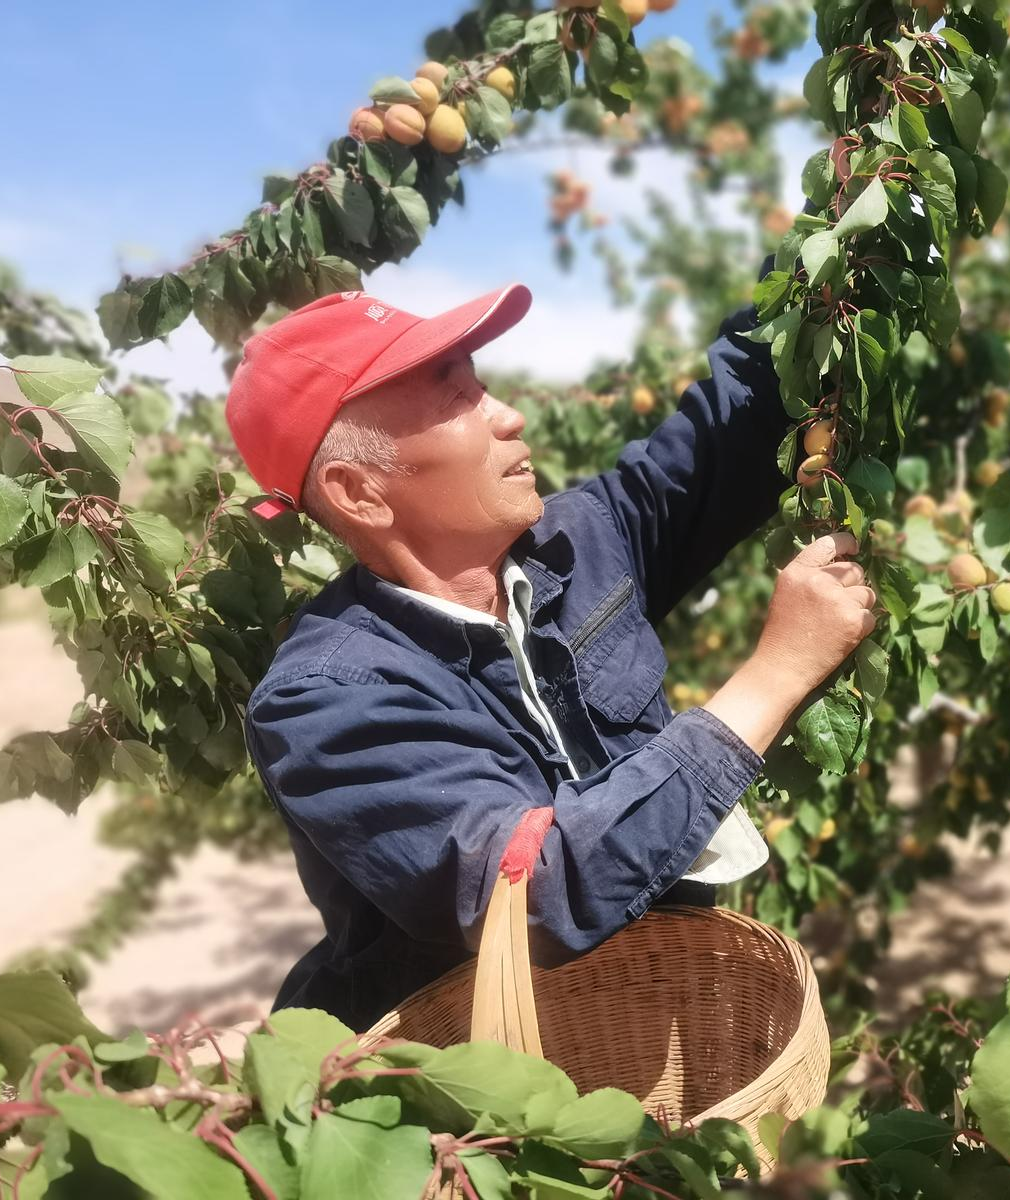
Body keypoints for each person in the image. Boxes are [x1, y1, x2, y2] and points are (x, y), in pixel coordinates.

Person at [223, 281, 876, 1032]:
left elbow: (736, 422)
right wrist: (780, 670)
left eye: (483, 385)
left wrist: (832, 246)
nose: (509, 414)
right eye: (456, 398)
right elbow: (535, 894)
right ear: (359, 493)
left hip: (650, 1018)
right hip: (478, 1105)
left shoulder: (580, 542)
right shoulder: (324, 700)